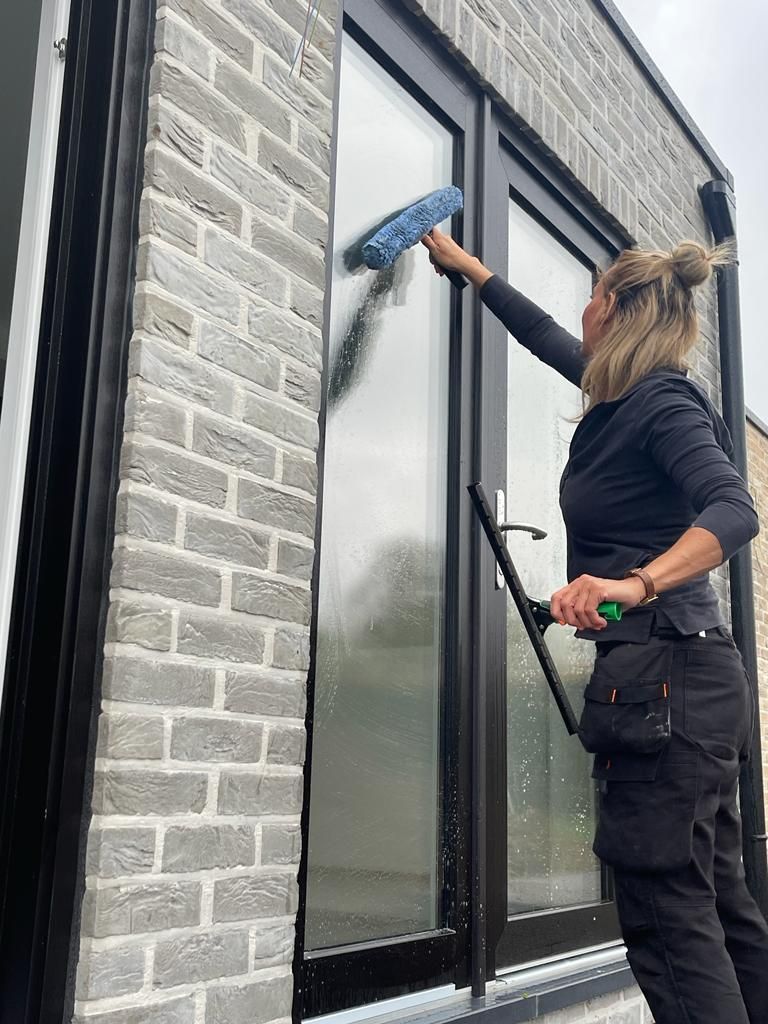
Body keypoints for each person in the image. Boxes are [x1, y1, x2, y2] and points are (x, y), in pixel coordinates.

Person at [421, 228, 768, 1024]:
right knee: (716, 903)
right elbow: (543, 335)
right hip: (687, 678)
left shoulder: (662, 403)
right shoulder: (624, 395)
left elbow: (733, 509)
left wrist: (635, 583)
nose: (580, 313)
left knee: (667, 913)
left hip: (667, 681)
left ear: (608, 307)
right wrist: (472, 269)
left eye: (589, 296)